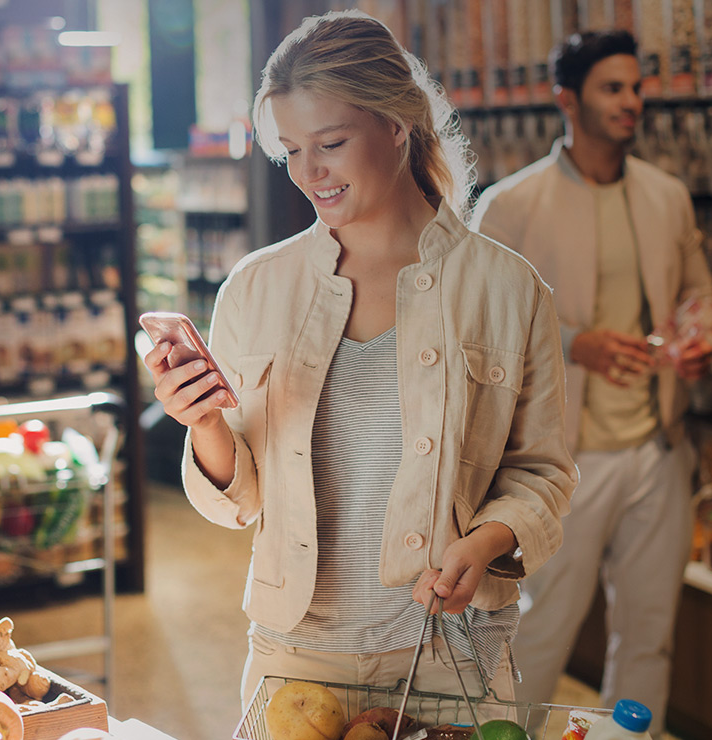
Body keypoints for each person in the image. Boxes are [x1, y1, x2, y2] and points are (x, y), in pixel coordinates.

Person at [142, 10, 577, 712]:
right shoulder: (255, 288)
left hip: (449, 655)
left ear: (396, 124)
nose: (309, 173)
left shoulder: (507, 288)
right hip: (295, 655)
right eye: (290, 151)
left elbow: (543, 474)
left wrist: (488, 540)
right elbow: (241, 501)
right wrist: (204, 425)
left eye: (331, 143)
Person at [470, 30, 712, 732]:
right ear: (566, 101)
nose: (631, 102)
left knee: (648, 638)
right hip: (561, 464)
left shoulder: (667, 196)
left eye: (636, 88)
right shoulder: (511, 206)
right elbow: (476, 329)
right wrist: (578, 344)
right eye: (613, 88)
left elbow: (699, 294)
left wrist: (700, 339)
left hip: (657, 450)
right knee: (540, 630)